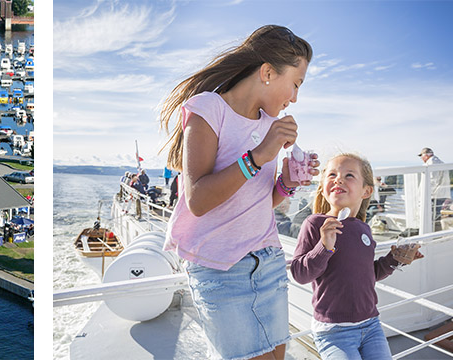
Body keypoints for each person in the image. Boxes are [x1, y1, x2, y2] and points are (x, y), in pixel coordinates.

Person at [158, 25, 316, 360]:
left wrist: (286, 182)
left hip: (270, 261)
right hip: (219, 267)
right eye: (296, 84)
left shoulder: (267, 124)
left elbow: (256, 202)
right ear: (268, 73)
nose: (295, 98)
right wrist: (260, 154)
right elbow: (199, 200)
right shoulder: (207, 109)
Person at [290, 153, 423, 359]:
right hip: (333, 331)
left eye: (349, 175)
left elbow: (369, 273)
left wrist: (394, 260)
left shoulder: (364, 229)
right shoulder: (315, 224)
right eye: (332, 174)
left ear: (366, 191)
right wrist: (323, 246)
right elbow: (300, 274)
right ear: (323, 187)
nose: (339, 179)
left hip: (371, 326)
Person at [420, 147, 452, 215]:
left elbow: (433, 180)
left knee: (431, 215)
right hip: (442, 194)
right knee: (436, 214)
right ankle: (436, 225)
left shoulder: (431, 163)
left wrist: (426, 193)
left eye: (421, 156)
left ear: (426, 155)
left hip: (435, 195)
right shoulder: (441, 162)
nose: (421, 159)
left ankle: (433, 225)